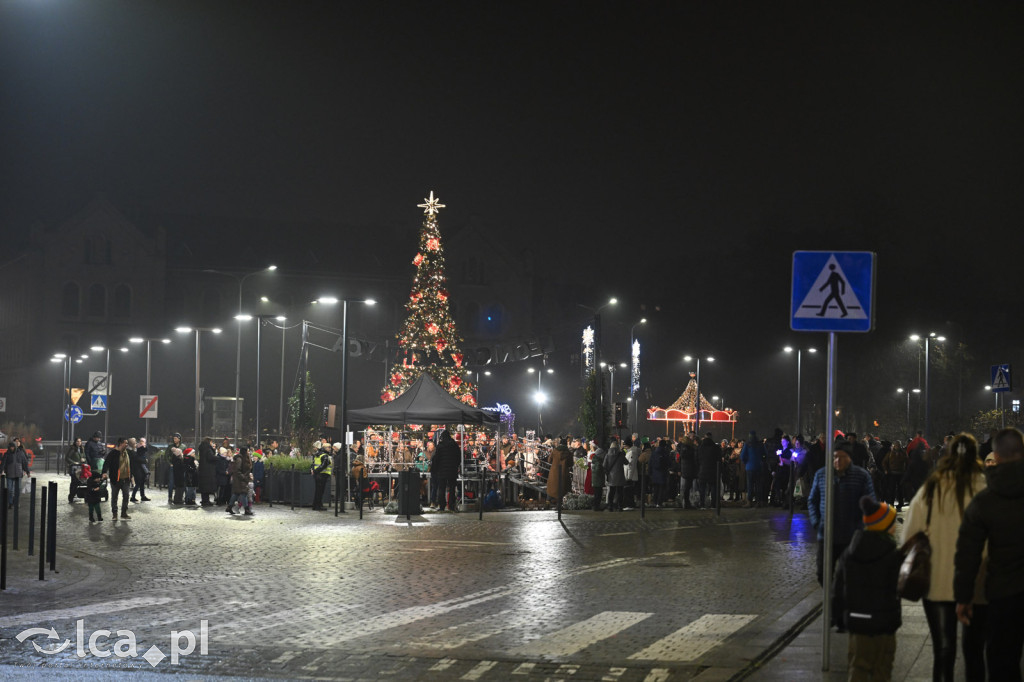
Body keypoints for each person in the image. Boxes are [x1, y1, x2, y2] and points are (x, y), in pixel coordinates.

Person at [904, 433, 987, 682]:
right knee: (974, 653)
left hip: (937, 583)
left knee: (943, 651)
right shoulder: (984, 488)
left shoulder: (931, 488)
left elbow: (908, 534)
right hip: (976, 582)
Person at [955, 427, 1024, 682]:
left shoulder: (985, 501)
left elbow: (968, 554)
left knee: (1002, 661)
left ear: (996, 454)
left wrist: (963, 597)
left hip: (1003, 593)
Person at [832, 496, 902, 680]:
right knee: (882, 668)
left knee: (858, 667)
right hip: (884, 623)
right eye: (893, 524)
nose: (895, 528)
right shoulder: (892, 554)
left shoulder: (850, 553)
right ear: (884, 528)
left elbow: (838, 587)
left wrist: (837, 615)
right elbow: (899, 587)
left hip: (858, 623)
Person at [808, 442, 876, 587]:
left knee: (849, 576)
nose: (837, 461)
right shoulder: (822, 475)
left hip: (851, 536)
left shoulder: (861, 476)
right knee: (823, 574)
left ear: (849, 458)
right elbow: (812, 501)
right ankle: (833, 602)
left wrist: (861, 527)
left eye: (842, 457)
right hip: (826, 535)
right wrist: (816, 521)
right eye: (835, 457)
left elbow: (870, 504)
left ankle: (842, 604)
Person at [102, 437, 132, 520]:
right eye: (125, 443)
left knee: (126, 496)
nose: (126, 444)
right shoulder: (113, 453)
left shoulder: (127, 453)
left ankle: (124, 513)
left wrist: (131, 476)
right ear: (120, 443)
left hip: (126, 479)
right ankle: (114, 514)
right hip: (116, 479)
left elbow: (130, 465)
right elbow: (106, 463)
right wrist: (104, 472)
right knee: (114, 497)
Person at [433, 431, 461, 512]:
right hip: (452, 470)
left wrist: (436, 468)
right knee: (452, 488)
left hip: (442, 470)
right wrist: (456, 465)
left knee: (442, 488)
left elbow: (436, 458)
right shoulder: (454, 445)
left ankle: (442, 506)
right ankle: (451, 505)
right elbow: (458, 457)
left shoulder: (440, 446)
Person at [2, 437, 31, 508]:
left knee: (17, 489)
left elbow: (24, 463)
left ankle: (16, 502)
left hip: (18, 474)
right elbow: (3, 463)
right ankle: (10, 503)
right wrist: (1, 471)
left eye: (13, 447)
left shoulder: (21, 453)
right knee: (10, 490)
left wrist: (27, 472)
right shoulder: (7, 454)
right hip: (9, 474)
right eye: (11, 447)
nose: (12, 448)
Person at [697, 433, 722, 509]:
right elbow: (719, 459)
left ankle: (702, 504)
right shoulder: (715, 447)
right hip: (713, 470)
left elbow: (697, 459)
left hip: (702, 470)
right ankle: (713, 504)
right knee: (713, 487)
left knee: (702, 489)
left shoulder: (700, 448)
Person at [740, 431, 765, 507]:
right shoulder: (760, 444)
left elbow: (742, 456)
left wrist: (746, 462)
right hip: (759, 467)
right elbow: (765, 454)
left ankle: (749, 502)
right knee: (758, 485)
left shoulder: (747, 444)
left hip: (749, 467)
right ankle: (758, 502)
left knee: (750, 485)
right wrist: (761, 461)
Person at [227, 447, 254, 515]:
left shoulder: (241, 458)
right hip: (240, 480)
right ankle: (246, 509)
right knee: (243, 493)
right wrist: (244, 477)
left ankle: (229, 507)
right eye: (247, 451)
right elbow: (237, 470)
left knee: (236, 494)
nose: (248, 452)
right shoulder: (240, 459)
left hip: (240, 479)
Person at [604, 438, 626, 512]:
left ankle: (610, 506)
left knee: (611, 491)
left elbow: (604, 465)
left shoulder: (607, 455)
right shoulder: (621, 454)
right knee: (620, 492)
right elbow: (626, 462)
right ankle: (620, 506)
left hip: (611, 476)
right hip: (620, 476)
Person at [310, 442, 332, 511]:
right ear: (325, 448)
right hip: (322, 475)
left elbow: (313, 464)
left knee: (318, 491)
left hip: (317, 475)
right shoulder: (325, 455)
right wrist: (316, 471)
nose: (330, 449)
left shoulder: (317, 454)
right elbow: (323, 465)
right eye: (329, 447)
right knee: (320, 491)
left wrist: (313, 470)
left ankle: (315, 505)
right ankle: (318, 506)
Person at [197, 436, 218, 507]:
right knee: (207, 486)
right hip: (208, 470)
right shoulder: (208, 449)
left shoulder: (202, 448)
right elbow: (210, 457)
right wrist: (218, 457)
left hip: (203, 469)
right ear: (209, 442)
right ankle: (206, 501)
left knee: (204, 486)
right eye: (211, 442)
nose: (212, 443)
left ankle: (204, 500)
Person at [130, 437, 151, 502]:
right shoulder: (133, 451)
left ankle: (142, 496)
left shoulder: (136, 450)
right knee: (138, 483)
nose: (136, 443)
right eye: (135, 442)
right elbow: (137, 459)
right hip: (137, 469)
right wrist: (145, 460)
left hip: (139, 469)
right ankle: (133, 497)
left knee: (141, 483)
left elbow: (145, 450)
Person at [65, 437, 85, 503]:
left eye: (80, 441)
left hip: (80, 468)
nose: (79, 442)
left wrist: (84, 460)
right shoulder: (72, 449)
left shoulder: (82, 449)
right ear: (75, 442)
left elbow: (84, 457)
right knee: (74, 482)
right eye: (77, 441)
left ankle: (74, 495)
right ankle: (71, 496)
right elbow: (67, 458)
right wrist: (73, 462)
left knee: (78, 482)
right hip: (73, 468)